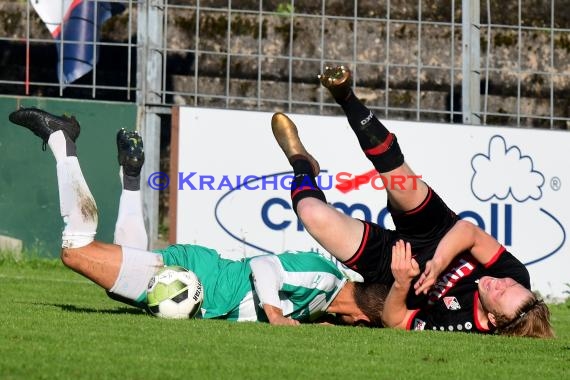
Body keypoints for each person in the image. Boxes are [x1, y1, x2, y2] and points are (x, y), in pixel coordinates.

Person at [7, 107, 387, 326]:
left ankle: (132, 176)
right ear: (363, 319)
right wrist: (272, 312)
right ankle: (62, 138)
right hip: (196, 280)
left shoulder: (326, 302)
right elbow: (266, 266)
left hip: (201, 286)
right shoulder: (326, 279)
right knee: (76, 249)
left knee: (126, 255)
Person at [269, 65, 554, 338]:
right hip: (438, 232)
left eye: (501, 293)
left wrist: (403, 280)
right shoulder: (515, 274)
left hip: (395, 266)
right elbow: (470, 233)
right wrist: (439, 263)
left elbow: (396, 321)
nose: (501, 283)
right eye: (510, 284)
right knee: (398, 181)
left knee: (311, 214)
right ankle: (346, 96)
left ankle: (301, 164)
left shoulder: (460, 325)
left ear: (493, 320)